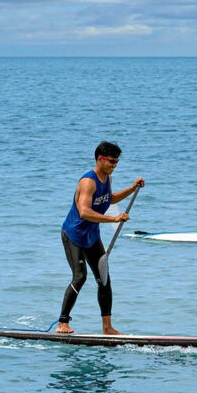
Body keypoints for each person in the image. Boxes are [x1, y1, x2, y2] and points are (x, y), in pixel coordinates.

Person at [58, 141, 144, 334]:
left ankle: (107, 328)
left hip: (92, 235)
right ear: (100, 159)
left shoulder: (107, 179)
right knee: (80, 277)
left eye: (117, 162)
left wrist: (132, 188)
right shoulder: (88, 182)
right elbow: (84, 212)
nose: (114, 165)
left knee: (104, 280)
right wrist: (114, 218)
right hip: (74, 235)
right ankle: (62, 323)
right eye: (111, 162)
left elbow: (109, 198)